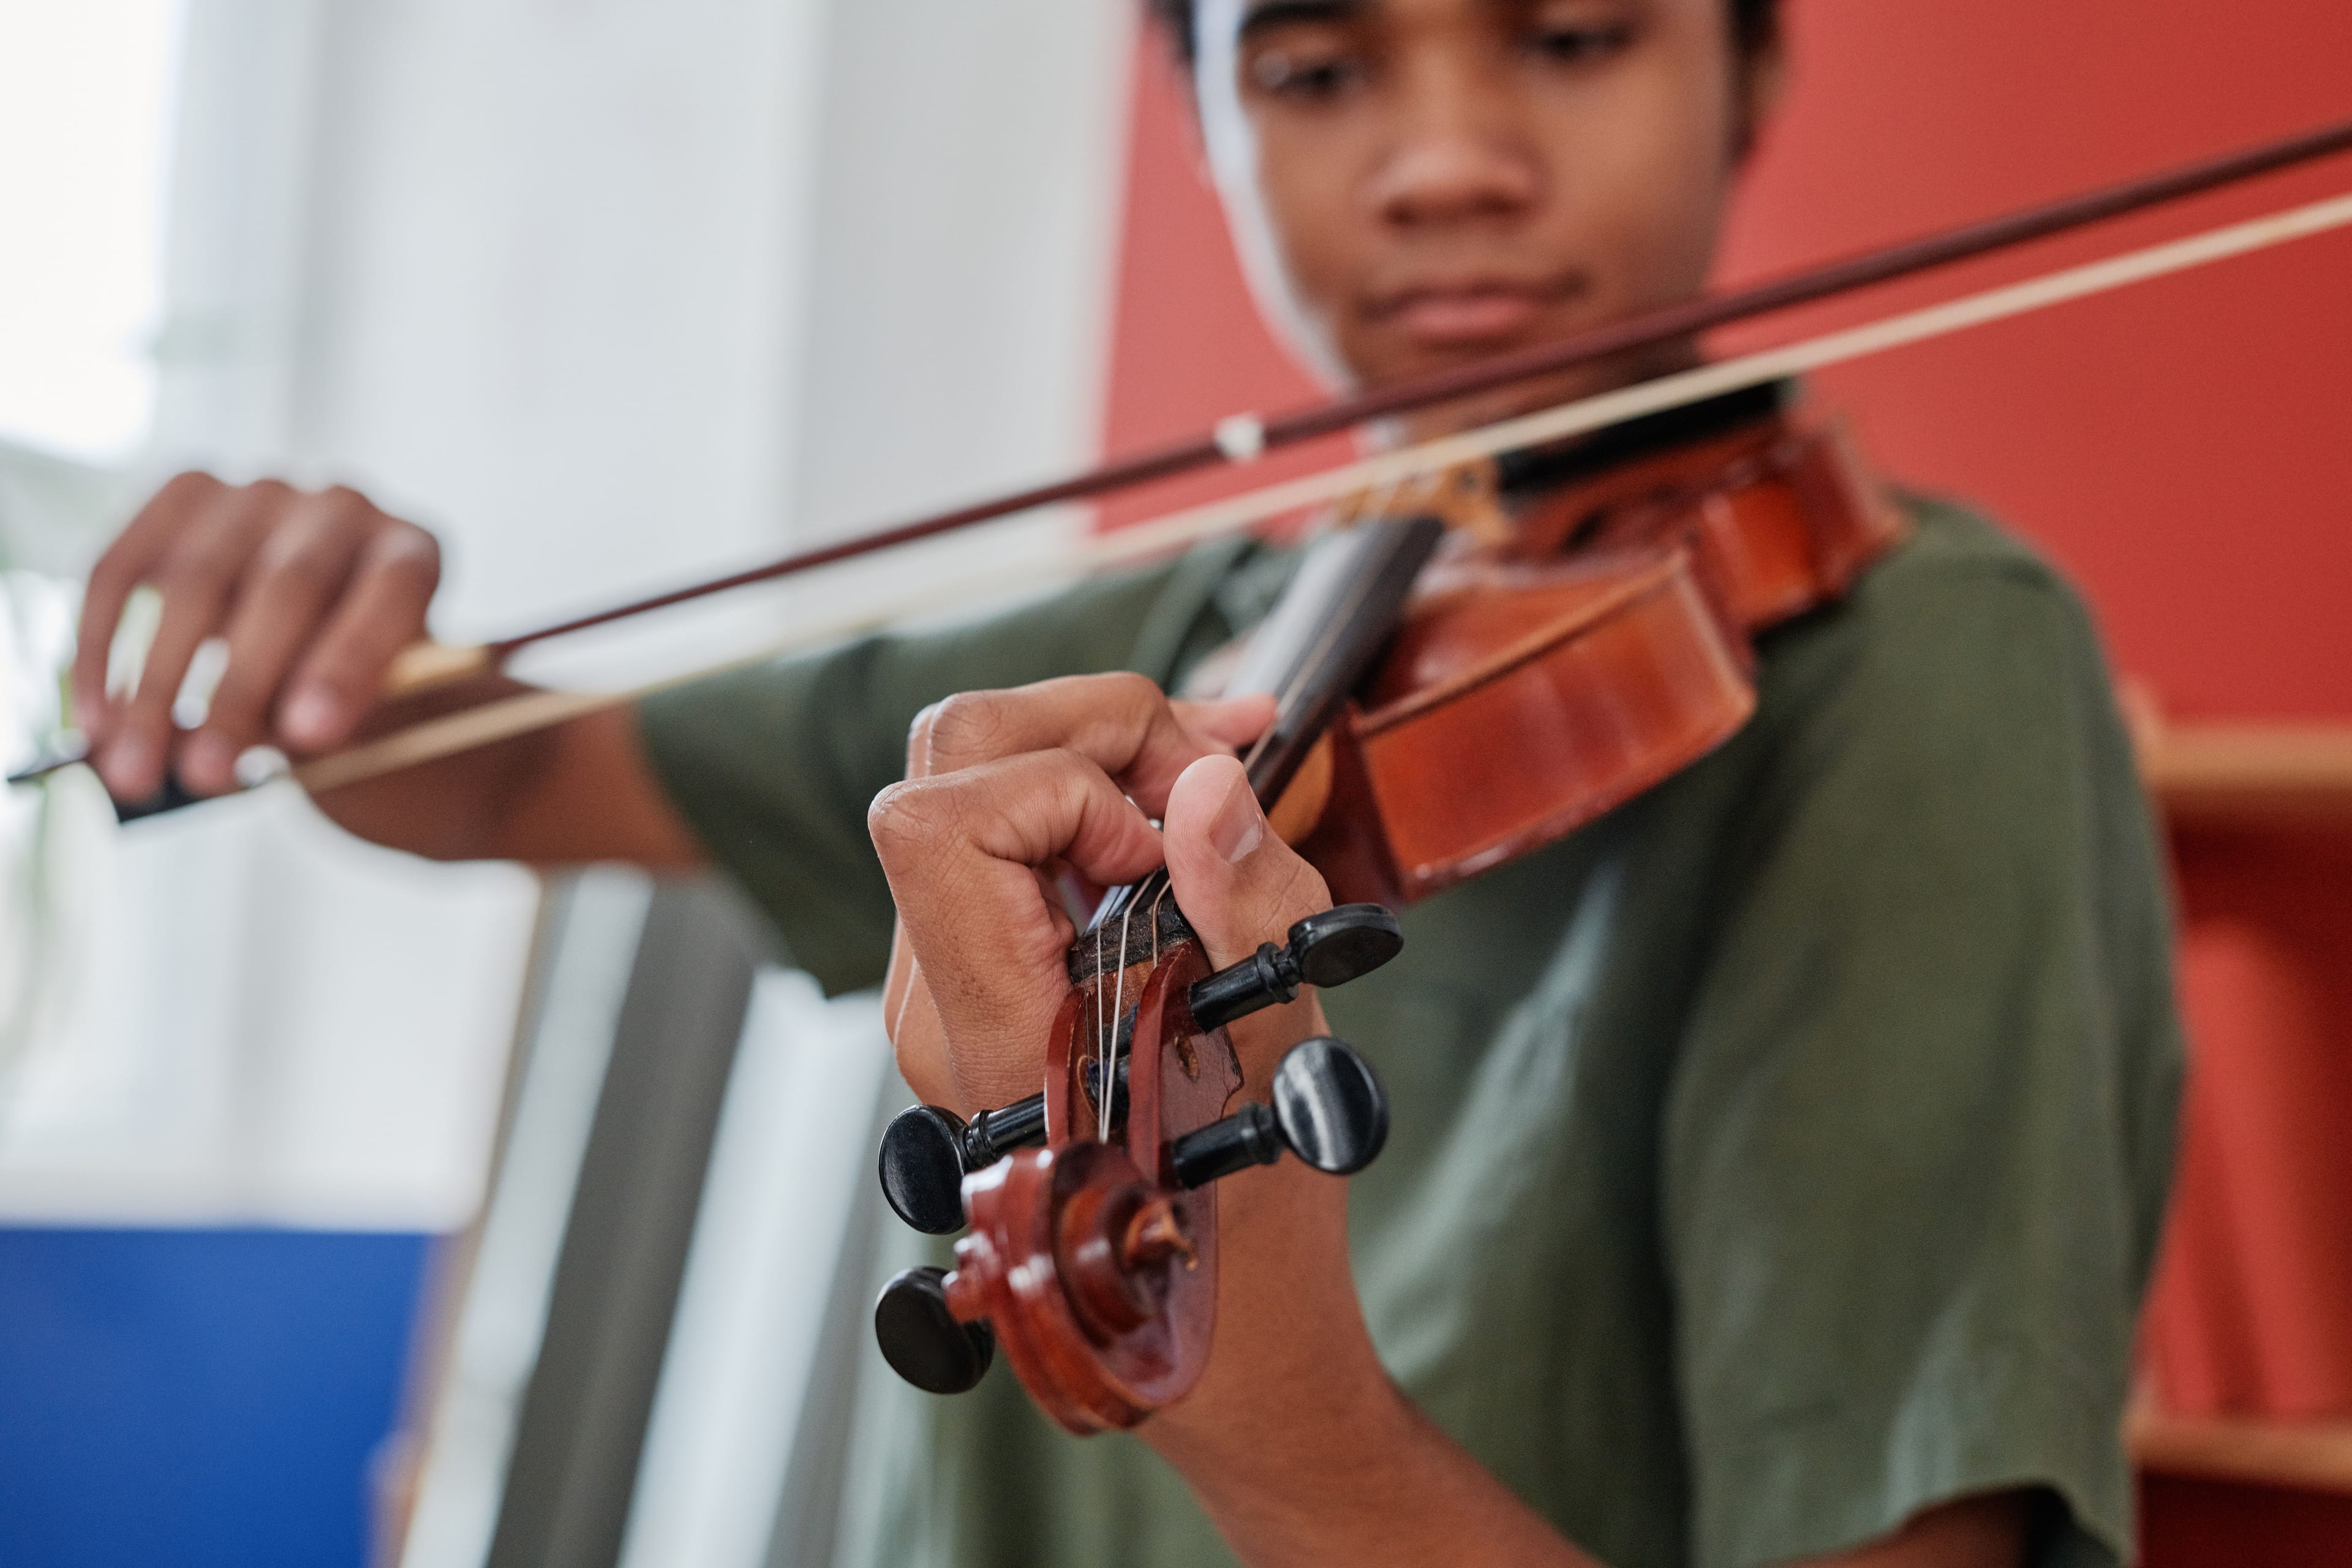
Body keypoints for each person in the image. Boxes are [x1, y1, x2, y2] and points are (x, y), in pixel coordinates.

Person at [70, 1, 2182, 1564]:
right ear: (1205, 118)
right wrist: (337, 641)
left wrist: (1263, 1404)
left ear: (1751, 71)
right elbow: (522, 783)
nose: (1444, 162)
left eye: (1567, 35)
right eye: (1319, 68)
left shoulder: (1905, 672)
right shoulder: (1205, 632)